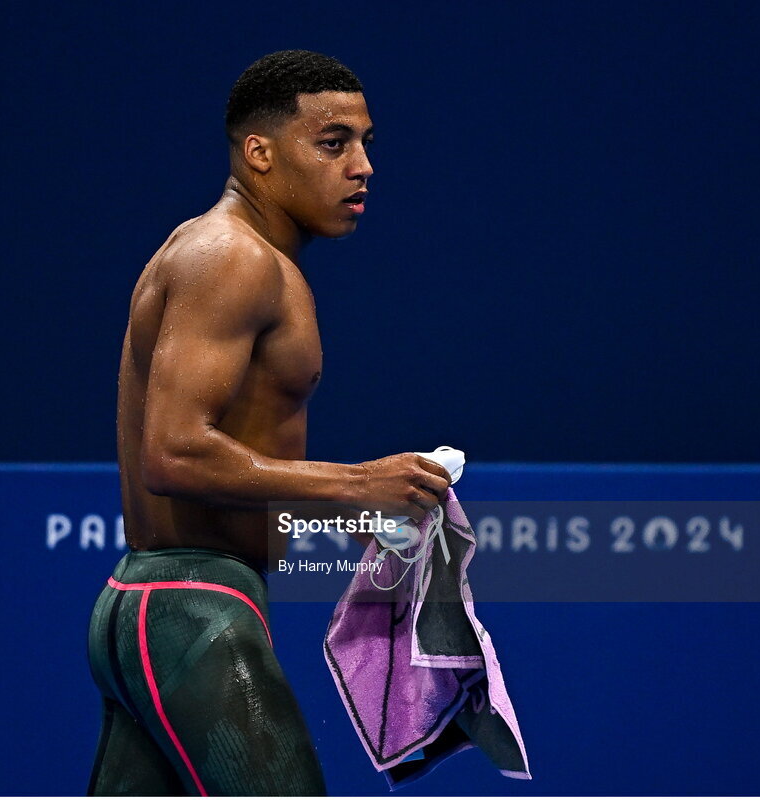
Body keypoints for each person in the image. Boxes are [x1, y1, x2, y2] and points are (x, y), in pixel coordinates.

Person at [86, 49, 452, 796]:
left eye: (365, 144)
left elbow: (225, 455)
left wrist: (349, 508)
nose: (361, 166)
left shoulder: (246, 259)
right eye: (332, 142)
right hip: (189, 609)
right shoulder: (231, 256)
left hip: (165, 604)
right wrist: (353, 485)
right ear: (259, 152)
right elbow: (173, 452)